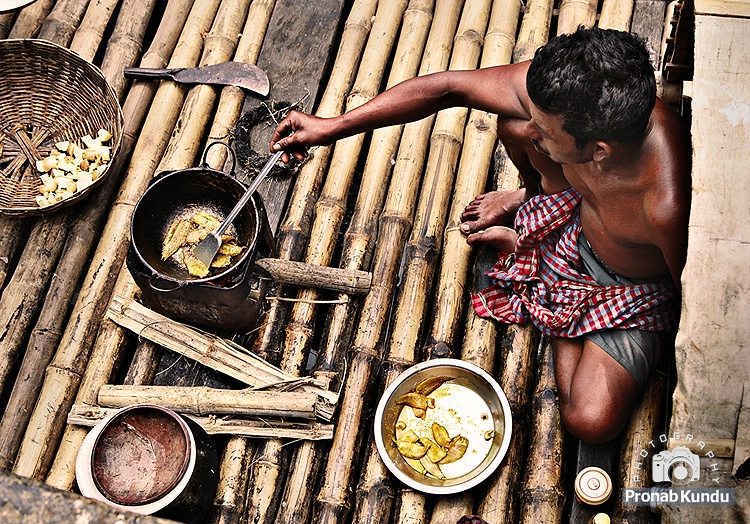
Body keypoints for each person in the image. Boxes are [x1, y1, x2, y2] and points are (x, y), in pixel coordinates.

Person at [270, 27, 691, 444]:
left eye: (545, 134)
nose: (533, 134)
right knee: (512, 119)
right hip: (575, 210)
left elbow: (686, 303)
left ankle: (550, 286)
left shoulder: (663, 207)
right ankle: (531, 203)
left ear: (599, 151)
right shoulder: (574, 95)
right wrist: (332, 127)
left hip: (627, 286)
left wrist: (567, 303)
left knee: (590, 421)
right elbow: (450, 88)